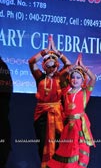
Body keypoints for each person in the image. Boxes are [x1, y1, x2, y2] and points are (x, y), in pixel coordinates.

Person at [28, 35, 71, 168]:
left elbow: (69, 65)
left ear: (57, 66)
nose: (51, 69)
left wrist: (57, 52)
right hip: (41, 116)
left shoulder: (60, 77)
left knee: (57, 144)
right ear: (44, 66)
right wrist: (45, 51)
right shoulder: (39, 77)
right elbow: (31, 62)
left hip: (58, 115)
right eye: (48, 66)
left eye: (54, 66)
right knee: (43, 144)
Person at [47, 53, 96, 168]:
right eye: (73, 77)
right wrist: (73, 66)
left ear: (83, 79)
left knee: (79, 150)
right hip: (68, 126)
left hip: (79, 126)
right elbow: (62, 76)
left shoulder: (85, 92)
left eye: (78, 77)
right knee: (66, 149)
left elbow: (93, 78)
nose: (75, 80)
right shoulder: (66, 91)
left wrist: (83, 67)